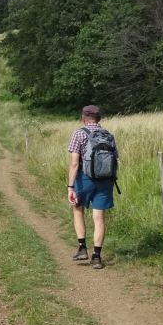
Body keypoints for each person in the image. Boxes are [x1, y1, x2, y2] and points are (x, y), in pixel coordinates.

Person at [66, 104, 115, 269]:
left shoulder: (78, 133)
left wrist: (70, 186)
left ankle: (82, 248)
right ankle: (97, 256)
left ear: (83, 118)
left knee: (77, 208)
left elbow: (74, 163)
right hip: (105, 181)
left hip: (84, 179)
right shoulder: (108, 135)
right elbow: (116, 160)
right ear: (99, 119)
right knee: (99, 218)